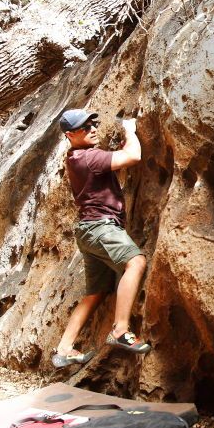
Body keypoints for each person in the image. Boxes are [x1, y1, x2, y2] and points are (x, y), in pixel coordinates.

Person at [52, 109, 151, 369]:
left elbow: (109, 169)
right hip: (100, 228)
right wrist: (130, 131)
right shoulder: (89, 157)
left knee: (95, 293)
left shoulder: (77, 157)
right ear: (70, 135)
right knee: (136, 262)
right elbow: (134, 156)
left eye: (93, 124)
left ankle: (64, 349)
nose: (93, 129)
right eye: (84, 128)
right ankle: (120, 331)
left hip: (88, 230)